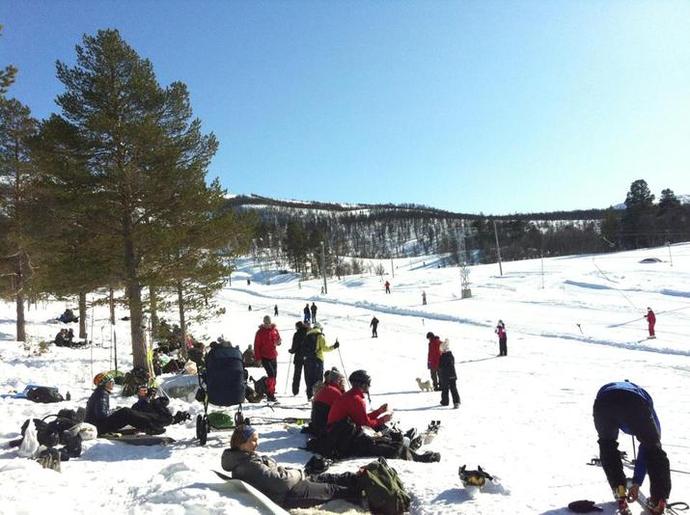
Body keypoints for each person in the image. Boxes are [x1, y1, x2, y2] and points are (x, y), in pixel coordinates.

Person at [221, 425, 360, 509]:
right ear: (241, 443)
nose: (256, 444)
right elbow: (281, 482)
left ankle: (358, 478)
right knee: (331, 489)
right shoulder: (248, 464)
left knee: (325, 477)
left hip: (288, 486)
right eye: (253, 440)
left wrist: (300, 472)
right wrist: (301, 472)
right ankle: (364, 492)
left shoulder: (243, 458)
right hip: (286, 494)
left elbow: (272, 474)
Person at [322, 370, 439, 462]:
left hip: (340, 437)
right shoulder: (355, 399)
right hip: (344, 441)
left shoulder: (351, 396)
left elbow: (360, 418)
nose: (369, 385)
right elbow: (365, 423)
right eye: (368, 383)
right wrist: (382, 419)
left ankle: (404, 444)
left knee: (380, 435)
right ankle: (415, 455)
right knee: (385, 445)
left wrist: (378, 412)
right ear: (362, 384)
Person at [593, 381, 670, 514]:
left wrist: (636, 482)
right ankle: (658, 500)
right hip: (634, 402)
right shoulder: (644, 405)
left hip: (603, 402)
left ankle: (620, 492)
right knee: (654, 449)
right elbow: (650, 446)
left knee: (607, 445)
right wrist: (637, 482)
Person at [85, 373, 165, 435]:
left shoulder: (99, 392)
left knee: (126, 412)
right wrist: (114, 412)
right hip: (98, 427)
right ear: (104, 383)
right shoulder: (102, 394)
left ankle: (151, 425)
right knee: (126, 412)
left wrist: (114, 411)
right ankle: (151, 427)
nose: (113, 383)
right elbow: (102, 415)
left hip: (96, 426)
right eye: (110, 381)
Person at [303, 322, 339, 401]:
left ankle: (309, 396)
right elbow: (325, 348)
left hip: (307, 360)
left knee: (309, 378)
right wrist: (334, 346)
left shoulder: (308, 335)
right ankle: (317, 396)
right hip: (317, 360)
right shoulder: (320, 336)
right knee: (318, 379)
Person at [306, 367, 345, 436]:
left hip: (316, 424)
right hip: (324, 427)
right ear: (338, 380)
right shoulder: (335, 391)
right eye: (341, 380)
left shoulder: (324, 388)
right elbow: (344, 410)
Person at [254, 315, 282, 402]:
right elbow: (256, 346)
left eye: (268, 323)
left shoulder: (274, 330)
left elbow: (278, 340)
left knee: (274, 376)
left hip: (273, 355)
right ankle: (270, 394)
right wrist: (258, 358)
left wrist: (279, 342)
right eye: (265, 323)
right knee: (271, 375)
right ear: (263, 322)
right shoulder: (260, 332)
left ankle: (271, 391)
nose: (267, 324)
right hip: (264, 356)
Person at [438, 339, 460, 408]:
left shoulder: (443, 357)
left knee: (445, 389)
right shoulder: (451, 355)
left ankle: (445, 401)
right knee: (453, 388)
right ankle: (456, 402)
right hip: (452, 375)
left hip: (445, 376)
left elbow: (441, 366)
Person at [289, 321, 308, 396]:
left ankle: (295, 391)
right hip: (307, 357)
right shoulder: (308, 333)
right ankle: (309, 391)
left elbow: (295, 345)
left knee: (297, 375)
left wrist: (291, 351)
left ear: (298, 327)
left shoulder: (297, 334)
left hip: (298, 357)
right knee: (308, 375)